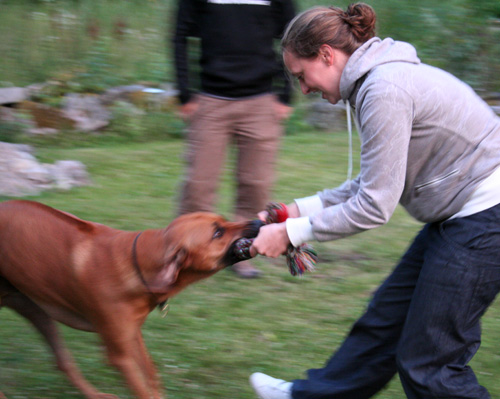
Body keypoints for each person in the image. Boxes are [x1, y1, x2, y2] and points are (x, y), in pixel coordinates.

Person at [248, 3, 500, 399]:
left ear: (327, 55)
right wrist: (296, 210)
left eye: (302, 75)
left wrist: (292, 234)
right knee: (386, 321)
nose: (304, 89)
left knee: (428, 364)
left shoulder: (385, 90)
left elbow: (374, 206)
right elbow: (375, 182)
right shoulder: (377, 82)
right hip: (462, 214)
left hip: (486, 216)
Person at [172, 0, 296, 278]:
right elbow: (180, 35)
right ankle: (186, 253)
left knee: (256, 184)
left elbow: (293, 36)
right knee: (199, 185)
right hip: (210, 101)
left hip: (261, 101)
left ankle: (241, 255)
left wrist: (285, 92)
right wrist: (185, 92)